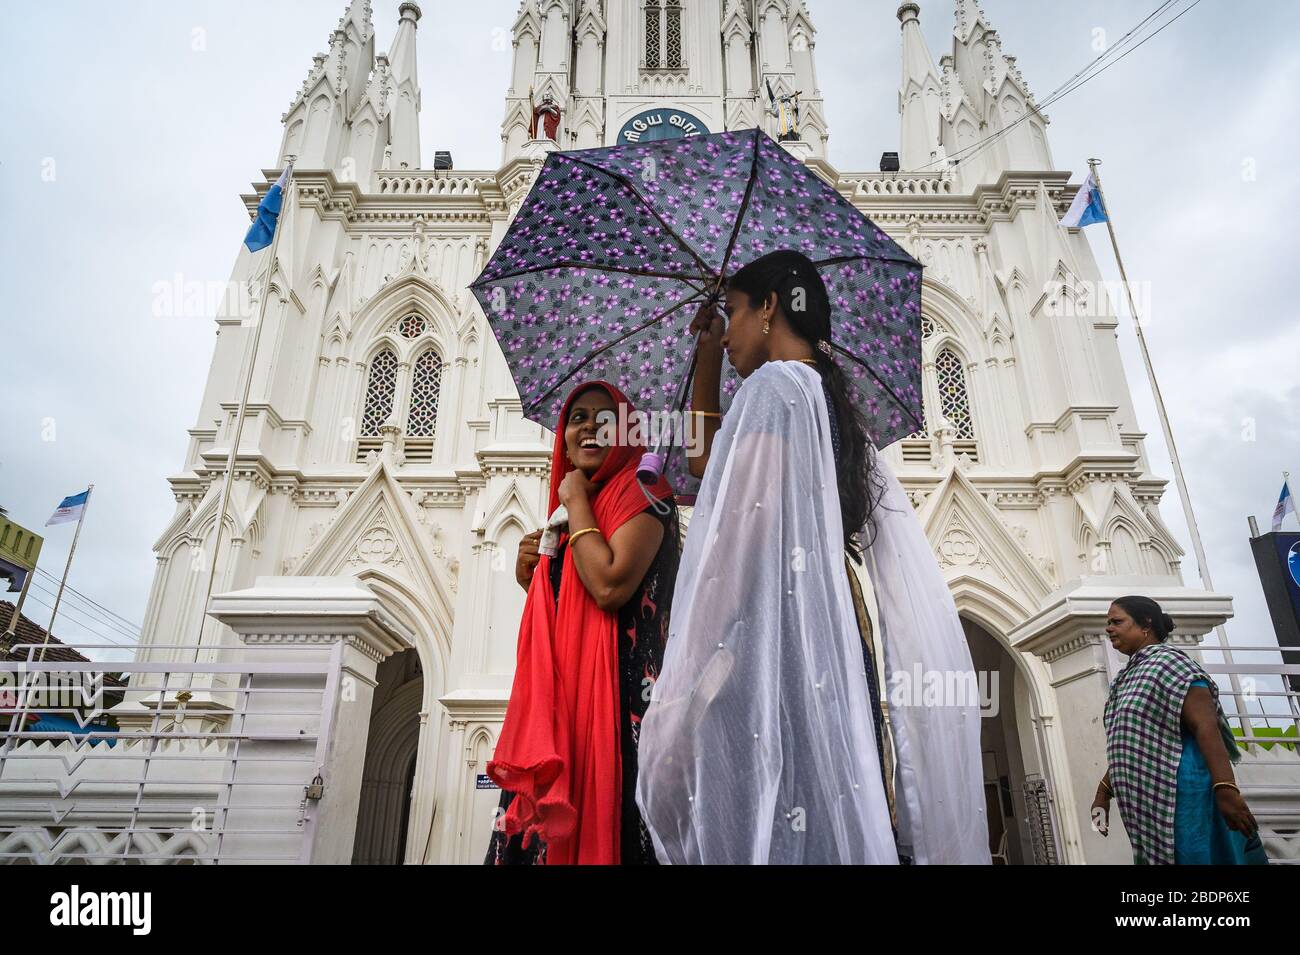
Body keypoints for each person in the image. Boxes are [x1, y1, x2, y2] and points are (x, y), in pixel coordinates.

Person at [635, 249, 989, 864]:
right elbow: (709, 464)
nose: (731, 326)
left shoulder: (775, 389)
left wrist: (691, 674)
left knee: (768, 804)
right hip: (829, 619)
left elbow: (737, 544)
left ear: (770, 307)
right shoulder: (820, 394)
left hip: (774, 626)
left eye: (735, 311)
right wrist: (710, 355)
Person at [485, 380, 678, 865]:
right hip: (561, 723)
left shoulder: (645, 490)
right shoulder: (563, 521)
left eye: (604, 418)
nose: (590, 426)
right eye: (578, 418)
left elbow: (611, 586)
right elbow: (571, 614)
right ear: (563, 437)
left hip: (629, 717)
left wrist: (576, 504)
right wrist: (533, 578)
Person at [1094, 595, 1266, 865]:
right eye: (1108, 623)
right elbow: (1133, 743)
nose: (1109, 628)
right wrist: (1103, 792)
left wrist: (1225, 788)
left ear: (1145, 624)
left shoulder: (1172, 665)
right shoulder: (1127, 678)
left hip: (1184, 793)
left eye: (1117, 621)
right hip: (1146, 802)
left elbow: (1205, 725)